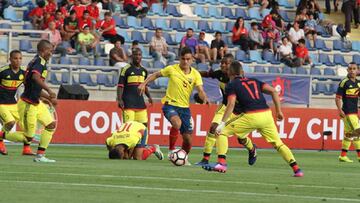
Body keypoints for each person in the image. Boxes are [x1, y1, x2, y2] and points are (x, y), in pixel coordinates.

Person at [202, 61, 303, 177]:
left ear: (230, 73)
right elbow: (274, 91)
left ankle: (222, 163)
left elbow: (230, 104)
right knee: (278, 144)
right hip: (266, 115)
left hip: (250, 116)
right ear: (242, 72)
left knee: (221, 132)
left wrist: (223, 123)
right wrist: (279, 111)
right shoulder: (254, 81)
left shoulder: (232, 85)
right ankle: (297, 169)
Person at [138, 47, 209, 162]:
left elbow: (200, 90)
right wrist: (144, 83)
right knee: (177, 123)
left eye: (188, 59)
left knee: (188, 141)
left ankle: (183, 158)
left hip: (185, 108)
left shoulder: (195, 74)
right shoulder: (172, 69)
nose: (185, 61)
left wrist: (204, 97)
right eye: (183, 59)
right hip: (170, 105)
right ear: (179, 59)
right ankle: (171, 149)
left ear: (192, 60)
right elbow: (156, 74)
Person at [195, 54, 257, 166]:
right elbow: (207, 74)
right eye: (222, 63)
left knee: (241, 139)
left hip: (239, 110)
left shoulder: (240, 78)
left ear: (232, 65)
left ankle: (252, 149)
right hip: (224, 107)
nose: (223, 65)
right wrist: (193, 73)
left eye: (226, 63)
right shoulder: (220, 74)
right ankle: (205, 159)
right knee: (213, 128)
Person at [17, 40, 57, 163]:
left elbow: (34, 85)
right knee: (28, 136)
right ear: (43, 50)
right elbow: (35, 78)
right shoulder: (39, 62)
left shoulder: (37, 61)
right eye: (49, 50)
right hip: (28, 103)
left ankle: (40, 156)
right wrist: (49, 90)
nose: (51, 53)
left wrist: (47, 97)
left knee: (51, 125)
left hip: (36, 102)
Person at [0, 50, 35, 155]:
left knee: (26, 125)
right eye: (15, 58)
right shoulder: (3, 71)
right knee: (10, 123)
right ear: (10, 59)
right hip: (1, 103)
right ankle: (1, 143)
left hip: (13, 103)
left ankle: (26, 149)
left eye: (20, 58)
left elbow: (31, 86)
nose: (18, 61)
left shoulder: (23, 73)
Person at [117, 48, 152, 127]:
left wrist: (149, 97)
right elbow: (120, 86)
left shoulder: (144, 71)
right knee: (128, 127)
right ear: (132, 56)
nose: (137, 57)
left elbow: (145, 86)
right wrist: (119, 99)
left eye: (139, 55)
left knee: (144, 127)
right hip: (128, 103)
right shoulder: (126, 69)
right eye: (136, 54)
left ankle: (142, 140)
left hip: (140, 103)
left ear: (141, 57)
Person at [335, 62, 360, 162]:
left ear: (357, 70)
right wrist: (339, 109)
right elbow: (337, 98)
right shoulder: (344, 82)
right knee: (357, 132)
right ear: (347, 70)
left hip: (354, 112)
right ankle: (359, 156)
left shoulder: (358, 83)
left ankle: (343, 155)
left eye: (354, 69)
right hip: (348, 113)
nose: (352, 71)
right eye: (350, 69)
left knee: (349, 134)